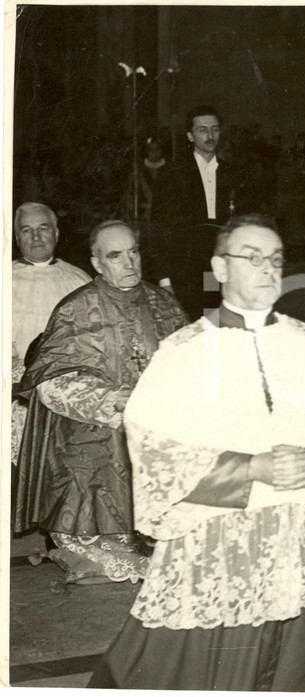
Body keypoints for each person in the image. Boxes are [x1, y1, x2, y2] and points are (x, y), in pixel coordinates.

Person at [87, 214, 305, 691]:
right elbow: (152, 444)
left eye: (275, 259)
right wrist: (252, 467)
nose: (268, 269)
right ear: (220, 268)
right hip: (220, 532)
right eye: (251, 257)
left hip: (300, 528)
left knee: (290, 660)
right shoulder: (184, 350)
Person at [13, 221, 188, 584]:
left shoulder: (164, 304)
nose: (129, 263)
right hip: (98, 427)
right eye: (115, 255)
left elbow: (194, 367)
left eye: (134, 252)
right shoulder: (77, 309)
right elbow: (51, 385)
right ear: (96, 263)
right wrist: (115, 400)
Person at [9, 202, 91, 466]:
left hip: (65, 400)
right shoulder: (3, 278)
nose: (35, 237)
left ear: (56, 232)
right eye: (26, 230)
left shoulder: (80, 281)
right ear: (16, 236)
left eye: (43, 228)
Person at [151, 105, 237, 317]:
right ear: (190, 135)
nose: (210, 135)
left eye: (215, 129)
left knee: (218, 328)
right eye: (202, 130)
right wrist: (164, 279)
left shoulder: (232, 173)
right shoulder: (171, 173)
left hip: (220, 270)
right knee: (191, 330)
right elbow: (161, 228)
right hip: (185, 273)